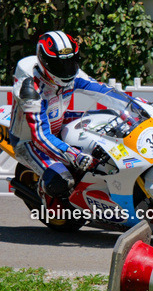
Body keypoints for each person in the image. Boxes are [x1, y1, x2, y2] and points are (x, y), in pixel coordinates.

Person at [10, 31, 142, 203]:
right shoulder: (31, 89)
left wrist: (137, 106)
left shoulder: (73, 74)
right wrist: (74, 155)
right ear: (44, 62)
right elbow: (40, 136)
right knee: (63, 182)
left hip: (59, 121)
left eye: (71, 62)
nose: (66, 70)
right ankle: (49, 200)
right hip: (29, 141)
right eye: (60, 65)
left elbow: (102, 91)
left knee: (111, 120)